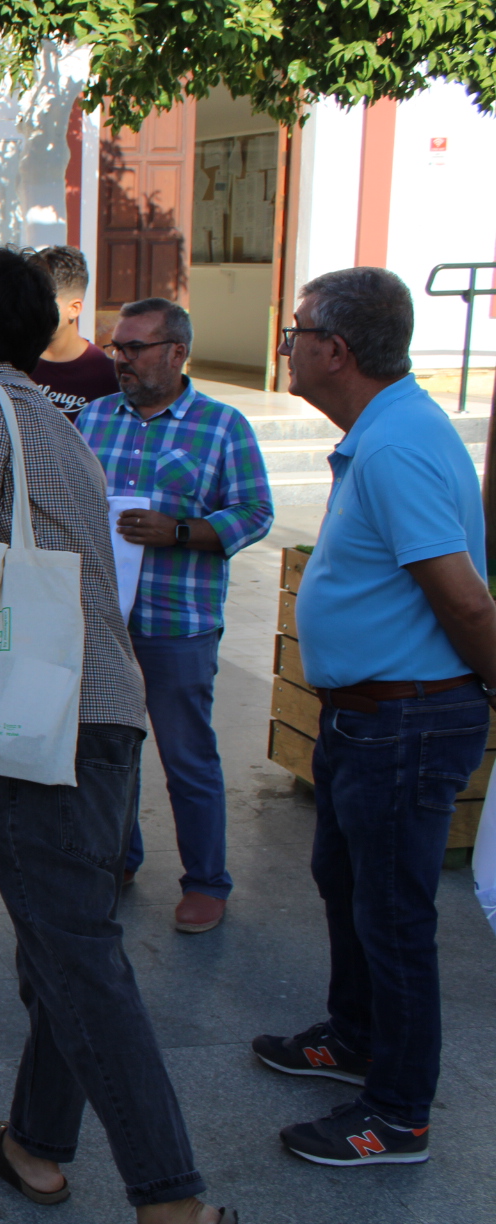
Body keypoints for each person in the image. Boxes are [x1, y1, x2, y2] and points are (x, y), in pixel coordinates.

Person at [0, 247, 225, 1223]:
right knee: (61, 950)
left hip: (49, 725)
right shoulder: (52, 417)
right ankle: (34, 1143)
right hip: (103, 713)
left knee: (80, 964)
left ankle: (172, 1200)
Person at [254, 267, 496, 1167]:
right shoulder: (385, 431)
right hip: (369, 719)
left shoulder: (394, 447)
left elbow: (464, 601)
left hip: (407, 722)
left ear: (336, 350)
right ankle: (355, 1038)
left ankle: (397, 1115)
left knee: (392, 917)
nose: (287, 347)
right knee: (348, 886)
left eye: (296, 332)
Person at [77, 298, 273, 932]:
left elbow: (255, 512)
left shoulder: (222, 426)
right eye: (117, 346)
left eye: (135, 347)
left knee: (188, 758)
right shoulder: (93, 419)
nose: (121, 358)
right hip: (104, 621)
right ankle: (119, 858)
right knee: (109, 751)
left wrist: (182, 530)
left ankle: (207, 882)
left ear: (177, 353)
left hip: (177, 624)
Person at [0, 246, 121, 848]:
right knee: (74, 897)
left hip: (43, 710)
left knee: (51, 896)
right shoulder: (47, 413)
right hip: (99, 697)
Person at [29, 245, 120, 420]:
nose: (28, 308)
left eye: (41, 301)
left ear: (74, 308)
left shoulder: (108, 377)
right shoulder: (10, 365)